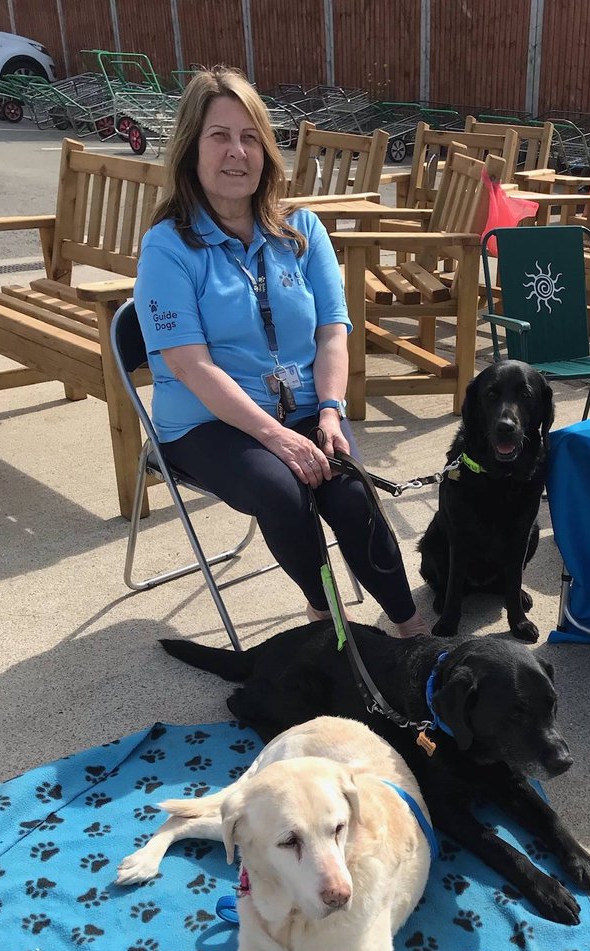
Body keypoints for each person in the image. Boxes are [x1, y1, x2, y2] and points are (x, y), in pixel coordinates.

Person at [133, 65, 428, 637]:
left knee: (350, 493)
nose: (236, 152)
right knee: (283, 489)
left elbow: (331, 332)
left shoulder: (302, 230)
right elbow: (189, 365)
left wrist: (328, 411)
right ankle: (327, 622)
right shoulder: (168, 246)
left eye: (250, 137)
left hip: (302, 407)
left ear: (267, 151)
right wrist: (276, 436)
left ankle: (411, 626)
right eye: (219, 136)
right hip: (205, 423)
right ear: (191, 147)